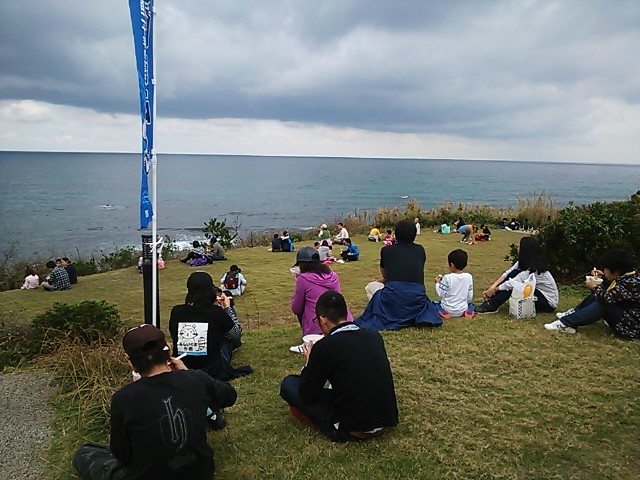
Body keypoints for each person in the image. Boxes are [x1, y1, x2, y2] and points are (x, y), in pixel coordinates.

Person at [72, 324, 237, 480]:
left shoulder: (123, 398)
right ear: (168, 351)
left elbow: (123, 454)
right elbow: (229, 396)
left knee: (85, 453)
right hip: (201, 473)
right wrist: (187, 372)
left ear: (130, 361)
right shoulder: (196, 379)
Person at [280, 290, 399, 442]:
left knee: (289, 384)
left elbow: (307, 395)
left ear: (323, 319)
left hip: (352, 427)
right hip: (384, 421)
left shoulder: (325, 346)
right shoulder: (374, 336)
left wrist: (310, 363)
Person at [356, 219, 441, 330]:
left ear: (396, 234)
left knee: (370, 287)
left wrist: (384, 280)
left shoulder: (386, 250)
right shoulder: (420, 250)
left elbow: (386, 275)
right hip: (417, 299)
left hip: (395, 295)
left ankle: (383, 313)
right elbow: (413, 272)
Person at [169, 271, 252, 381]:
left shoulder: (177, 311)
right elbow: (236, 334)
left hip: (181, 364)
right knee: (229, 338)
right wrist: (228, 308)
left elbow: (173, 334)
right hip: (211, 368)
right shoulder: (216, 312)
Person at [544, 249, 639, 339]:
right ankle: (573, 314)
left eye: (606, 269)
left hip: (632, 328)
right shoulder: (630, 278)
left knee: (604, 303)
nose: (604, 271)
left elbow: (607, 298)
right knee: (597, 295)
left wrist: (593, 287)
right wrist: (603, 276)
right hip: (627, 318)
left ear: (616, 271)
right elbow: (616, 290)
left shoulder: (631, 283)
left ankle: (565, 323)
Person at [476, 236, 559, 314]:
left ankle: (492, 305)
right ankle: (492, 303)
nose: (518, 247)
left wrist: (495, 290)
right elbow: (507, 273)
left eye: (519, 246)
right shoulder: (524, 262)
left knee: (515, 283)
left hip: (548, 303)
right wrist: (492, 287)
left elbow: (512, 283)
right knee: (513, 273)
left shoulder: (535, 269)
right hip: (537, 294)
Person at [290, 246, 353, 340]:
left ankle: (310, 334)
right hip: (344, 322)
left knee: (303, 308)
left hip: (320, 328)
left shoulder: (303, 279)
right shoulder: (333, 275)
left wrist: (297, 286)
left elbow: (296, 308)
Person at [433, 249, 475, 318]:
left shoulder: (447, 277)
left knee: (434, 303)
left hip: (447, 308)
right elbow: (470, 297)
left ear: (452, 265)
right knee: (471, 305)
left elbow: (441, 294)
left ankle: (443, 312)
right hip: (462, 309)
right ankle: (468, 311)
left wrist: (437, 283)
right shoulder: (469, 277)